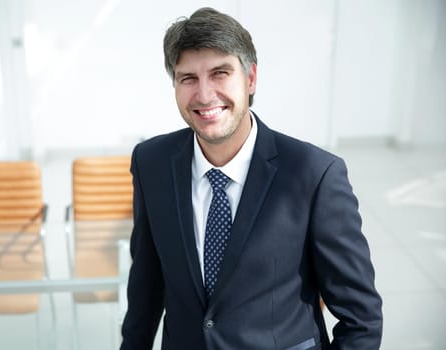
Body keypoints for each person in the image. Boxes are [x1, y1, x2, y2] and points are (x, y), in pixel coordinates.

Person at [120, 7, 382, 350]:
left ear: (251, 78)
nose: (204, 94)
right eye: (188, 78)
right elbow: (145, 287)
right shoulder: (150, 162)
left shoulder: (315, 175)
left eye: (220, 73)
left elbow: (361, 320)